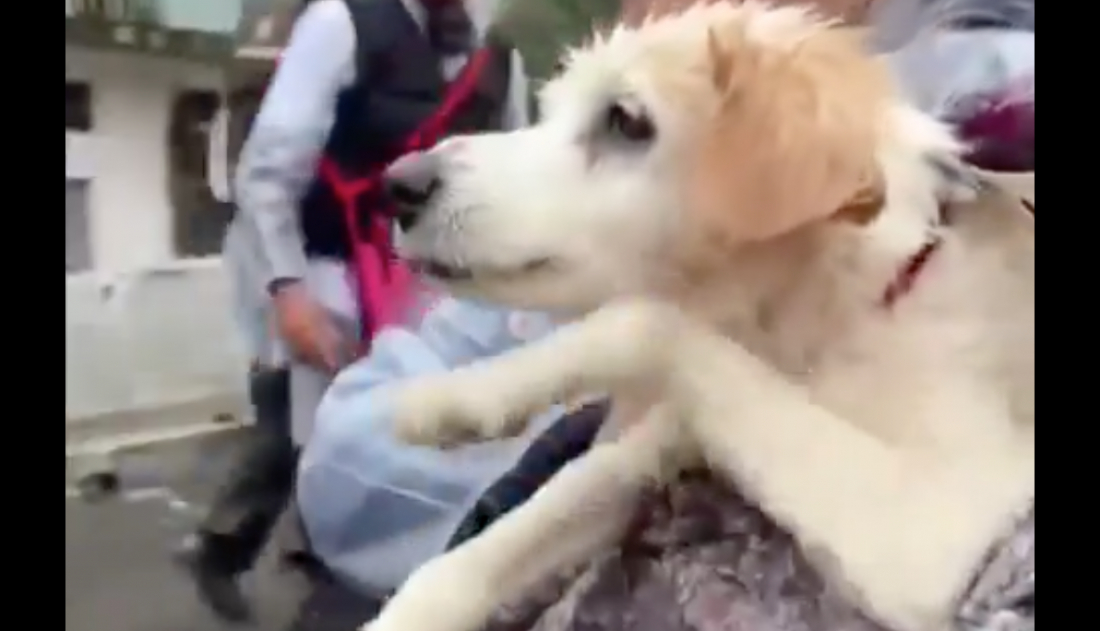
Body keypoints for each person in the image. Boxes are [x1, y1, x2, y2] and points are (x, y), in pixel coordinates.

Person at [177, 0, 530, 621]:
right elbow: (266, 176)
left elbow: (515, 188)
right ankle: (273, 568)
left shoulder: (499, 61)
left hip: (432, 294)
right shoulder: (343, 24)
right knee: (321, 455)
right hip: (326, 276)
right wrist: (289, 293)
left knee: (427, 450)